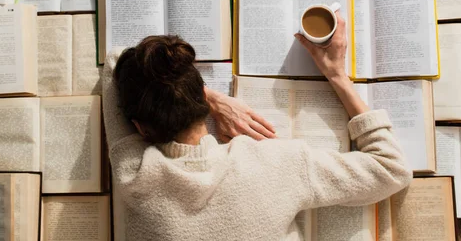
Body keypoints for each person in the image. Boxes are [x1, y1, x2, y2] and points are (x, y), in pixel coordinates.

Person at [102, 13, 412, 240]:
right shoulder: (275, 164)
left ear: (140, 128)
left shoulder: (134, 174)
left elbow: (114, 61)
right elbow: (391, 168)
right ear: (199, 94)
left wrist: (201, 97)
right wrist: (337, 76)